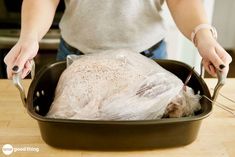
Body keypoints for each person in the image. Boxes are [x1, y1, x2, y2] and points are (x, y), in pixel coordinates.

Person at [4, 0, 232, 79]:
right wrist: (29, 36)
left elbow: (181, 1)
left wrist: (202, 34)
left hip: (148, 60)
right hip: (76, 59)